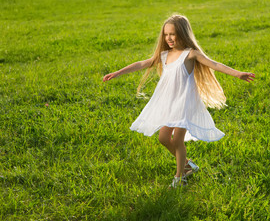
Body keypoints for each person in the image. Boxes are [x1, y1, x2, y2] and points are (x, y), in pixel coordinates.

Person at [103, 14, 255, 188]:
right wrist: (117, 73)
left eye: (173, 34)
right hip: (168, 102)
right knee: (163, 137)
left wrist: (238, 74)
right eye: (166, 34)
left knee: (177, 140)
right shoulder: (164, 55)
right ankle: (188, 164)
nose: (168, 38)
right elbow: (142, 63)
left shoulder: (191, 54)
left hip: (184, 102)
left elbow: (214, 64)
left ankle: (180, 177)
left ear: (182, 34)